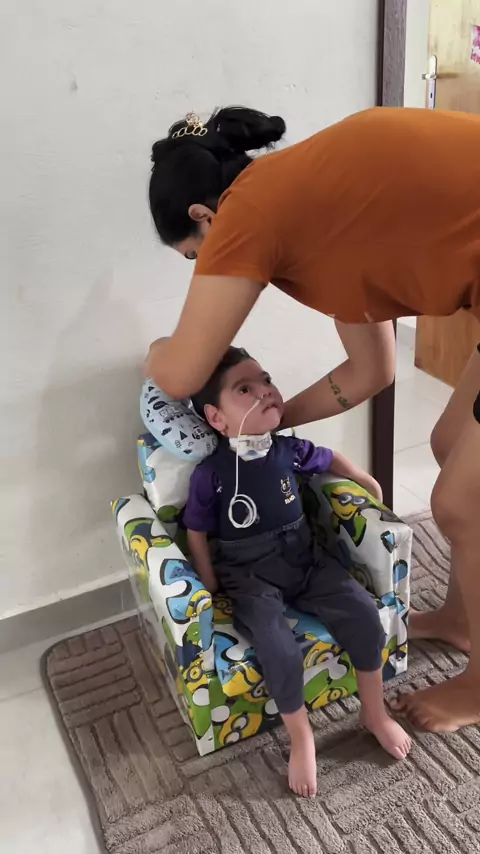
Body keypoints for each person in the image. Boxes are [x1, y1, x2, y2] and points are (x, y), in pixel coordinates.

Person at [145, 105, 480, 734]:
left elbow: (181, 372)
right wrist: (271, 423)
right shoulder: (310, 215)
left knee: (461, 503)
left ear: (204, 216)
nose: (204, 269)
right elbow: (371, 371)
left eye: (193, 256)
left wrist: (155, 352)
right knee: (449, 443)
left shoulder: (249, 209)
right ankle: (464, 621)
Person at [184, 345, 412, 797]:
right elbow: (195, 530)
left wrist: (363, 478)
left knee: (364, 614)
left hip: (305, 560)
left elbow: (328, 457)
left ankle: (374, 711)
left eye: (266, 380)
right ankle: (302, 736)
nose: (265, 391)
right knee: (279, 649)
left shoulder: (288, 449)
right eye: (244, 389)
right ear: (216, 418)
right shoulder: (211, 473)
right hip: (250, 576)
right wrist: (209, 582)